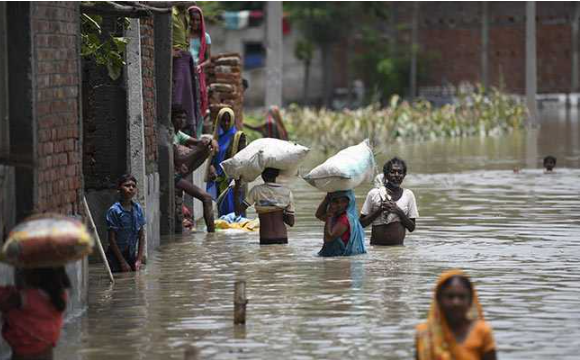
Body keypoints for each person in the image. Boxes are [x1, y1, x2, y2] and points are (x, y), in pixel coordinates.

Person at [415, 270, 497, 360]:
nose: (456, 302)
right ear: (439, 300)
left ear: (470, 301)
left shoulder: (482, 331)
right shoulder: (424, 333)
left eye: (462, 297)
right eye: (450, 296)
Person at [0, 267, 71, 359]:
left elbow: (4, 303)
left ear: (34, 274)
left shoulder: (25, 297)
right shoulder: (60, 295)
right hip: (47, 354)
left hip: (24, 356)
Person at [172, 105, 216, 232]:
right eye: (178, 117)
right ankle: (211, 235)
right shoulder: (171, 135)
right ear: (172, 119)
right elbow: (179, 158)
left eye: (184, 118)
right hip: (175, 177)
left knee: (205, 147)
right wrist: (198, 150)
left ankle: (211, 234)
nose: (181, 121)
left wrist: (208, 142)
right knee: (206, 198)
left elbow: (198, 142)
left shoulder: (179, 134)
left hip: (181, 174)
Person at [360, 157, 418, 246]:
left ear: (404, 175)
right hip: (376, 250)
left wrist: (398, 211)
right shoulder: (374, 193)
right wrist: (380, 209)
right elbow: (361, 224)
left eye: (400, 172)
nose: (396, 175)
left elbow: (411, 227)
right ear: (386, 175)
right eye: (392, 172)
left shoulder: (408, 195)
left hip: (398, 251)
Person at [237, 168, 295, 245]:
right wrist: (278, 211)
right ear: (277, 175)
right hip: (282, 237)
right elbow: (291, 222)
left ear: (262, 175)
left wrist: (236, 190)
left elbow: (238, 211)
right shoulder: (287, 192)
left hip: (266, 238)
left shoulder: (256, 190)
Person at [206, 107, 246, 217]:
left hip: (235, 181)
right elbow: (211, 159)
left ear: (233, 120)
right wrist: (211, 167)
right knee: (223, 213)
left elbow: (243, 159)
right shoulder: (216, 139)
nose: (226, 123)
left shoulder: (239, 137)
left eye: (228, 120)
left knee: (237, 212)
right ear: (219, 121)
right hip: (220, 181)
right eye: (223, 120)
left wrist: (236, 180)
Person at [106, 174, 146, 273]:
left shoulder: (137, 209)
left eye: (133, 186)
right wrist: (122, 262)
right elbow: (112, 239)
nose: (131, 188)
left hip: (131, 255)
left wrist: (139, 259)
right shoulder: (114, 211)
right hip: (116, 257)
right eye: (127, 186)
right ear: (119, 189)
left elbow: (141, 236)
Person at [172, 3, 202, 136]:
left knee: (189, 98)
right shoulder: (170, 13)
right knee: (177, 96)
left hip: (186, 58)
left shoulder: (186, 15)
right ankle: (174, 128)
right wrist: (169, 50)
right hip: (176, 60)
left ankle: (188, 130)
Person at [315, 190, 366, 257]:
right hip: (337, 257)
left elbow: (329, 237)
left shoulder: (344, 219)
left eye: (343, 201)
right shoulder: (336, 216)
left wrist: (330, 214)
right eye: (336, 202)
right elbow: (319, 215)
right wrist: (327, 198)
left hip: (342, 259)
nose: (339, 205)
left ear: (349, 203)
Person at [188, 5, 211, 134]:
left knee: (199, 103)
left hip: (198, 73)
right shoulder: (184, 35)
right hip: (185, 69)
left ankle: (196, 135)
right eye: (192, 19)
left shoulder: (205, 37)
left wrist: (200, 66)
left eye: (198, 20)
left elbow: (209, 60)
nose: (195, 22)